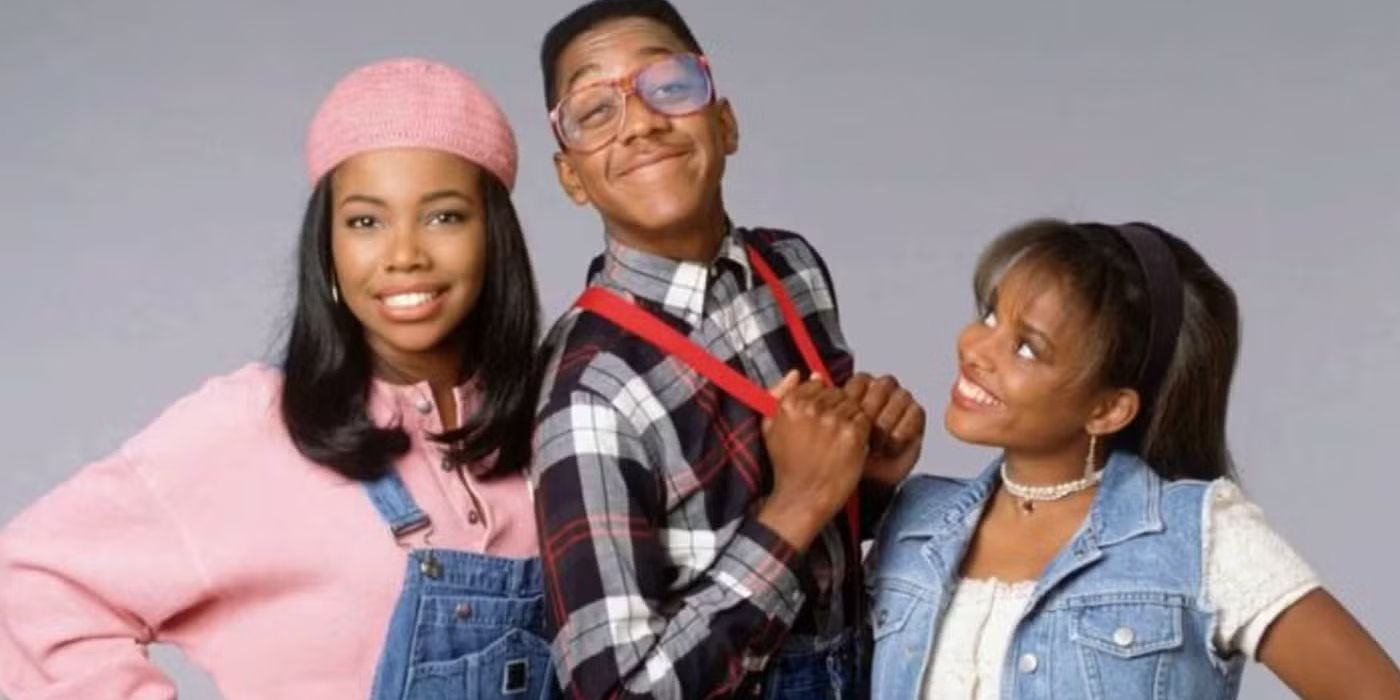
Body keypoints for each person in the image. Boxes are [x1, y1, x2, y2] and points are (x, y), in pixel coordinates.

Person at [0, 58, 559, 699]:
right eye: (365, 221)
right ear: (327, 245)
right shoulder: (252, 426)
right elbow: (27, 583)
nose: (405, 254)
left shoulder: (558, 424)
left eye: (443, 216)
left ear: (496, 239)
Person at [529, 1, 926, 697]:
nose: (644, 122)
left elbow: (812, 546)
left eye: (670, 86)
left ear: (726, 122)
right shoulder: (588, 389)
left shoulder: (793, 269)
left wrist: (869, 476)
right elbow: (615, 689)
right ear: (571, 177)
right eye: (596, 111)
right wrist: (798, 503)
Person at [868, 219, 1400, 699]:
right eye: (989, 314)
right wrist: (859, 500)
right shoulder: (913, 520)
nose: (976, 349)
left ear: (1107, 409)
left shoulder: (1197, 536)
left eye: (1027, 348)